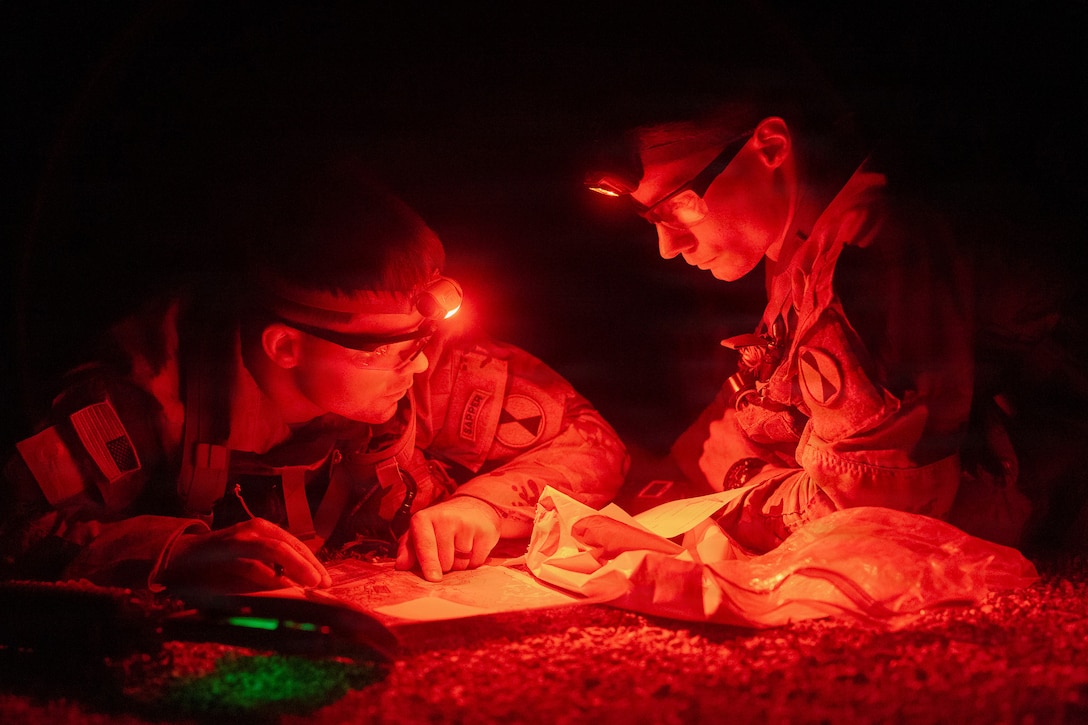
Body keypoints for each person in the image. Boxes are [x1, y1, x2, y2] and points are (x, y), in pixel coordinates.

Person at [0, 156, 627, 591]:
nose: (424, 363)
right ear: (284, 346)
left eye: (426, 338)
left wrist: (484, 507)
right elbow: (17, 524)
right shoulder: (152, 390)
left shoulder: (415, 364)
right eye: (388, 348)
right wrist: (176, 552)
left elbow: (590, 439)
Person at [583, 84, 1085, 554]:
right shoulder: (800, 241)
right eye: (650, 219)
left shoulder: (866, 247)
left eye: (680, 206)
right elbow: (725, 431)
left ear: (771, 147)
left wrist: (738, 480)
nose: (668, 247)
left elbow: (875, 514)